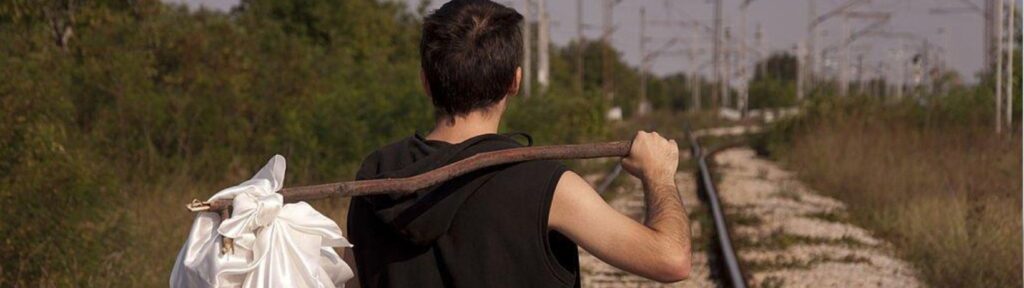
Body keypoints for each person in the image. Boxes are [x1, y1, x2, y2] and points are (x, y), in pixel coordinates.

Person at [345, 1, 691, 287]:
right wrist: (658, 175)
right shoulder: (547, 186)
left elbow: (351, 278)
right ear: (515, 81)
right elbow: (671, 260)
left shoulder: (376, 176)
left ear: (425, 80)